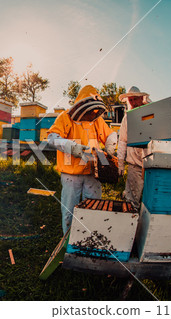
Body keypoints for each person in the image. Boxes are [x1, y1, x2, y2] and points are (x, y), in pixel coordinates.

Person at [47, 85, 117, 235]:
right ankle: (68, 242)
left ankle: (89, 239)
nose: (91, 114)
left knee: (94, 208)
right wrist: (75, 148)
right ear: (80, 104)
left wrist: (110, 148)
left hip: (93, 172)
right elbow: (52, 138)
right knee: (69, 211)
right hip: (71, 174)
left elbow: (111, 135)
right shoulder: (65, 117)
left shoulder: (97, 120)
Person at [117, 86, 151, 211]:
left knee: (151, 203)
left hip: (152, 165)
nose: (133, 103)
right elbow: (122, 141)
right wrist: (120, 163)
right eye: (130, 100)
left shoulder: (152, 112)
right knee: (132, 203)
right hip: (134, 164)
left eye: (135, 99)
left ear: (142, 98)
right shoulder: (127, 118)